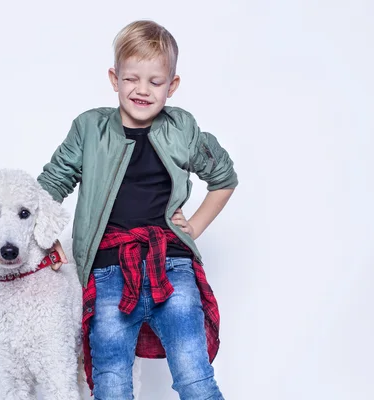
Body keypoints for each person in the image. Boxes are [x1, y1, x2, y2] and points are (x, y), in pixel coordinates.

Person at [37, 19, 238, 400]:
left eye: (155, 81)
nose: (142, 90)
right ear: (114, 78)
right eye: (132, 79)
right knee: (111, 380)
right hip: (108, 270)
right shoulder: (89, 128)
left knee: (194, 375)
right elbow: (52, 183)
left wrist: (192, 227)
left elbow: (224, 177)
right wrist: (46, 237)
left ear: (172, 86)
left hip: (172, 267)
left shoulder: (183, 128)